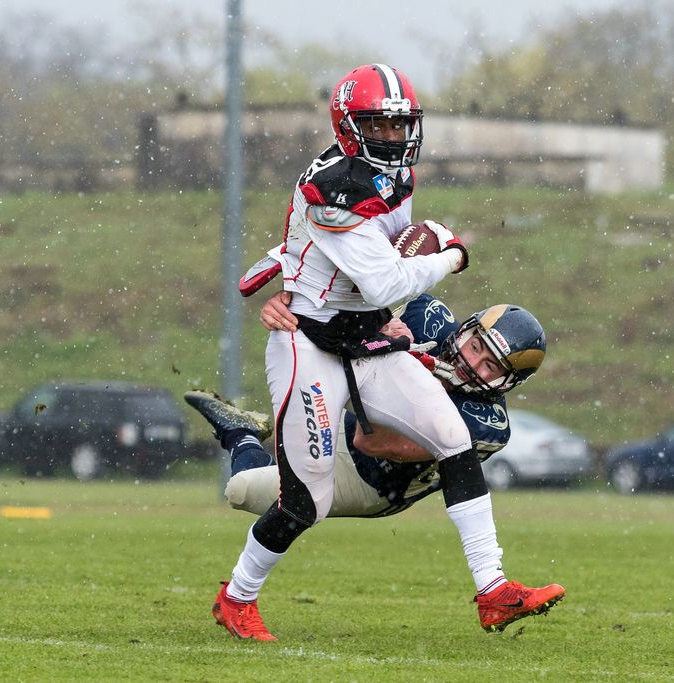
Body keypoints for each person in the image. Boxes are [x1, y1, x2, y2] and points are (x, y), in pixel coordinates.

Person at [209, 63, 558, 642]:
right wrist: (450, 255)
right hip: (310, 341)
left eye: (400, 125)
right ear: (348, 126)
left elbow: (379, 256)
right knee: (306, 500)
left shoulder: (393, 177)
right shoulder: (334, 190)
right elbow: (384, 282)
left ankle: (494, 590)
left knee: (454, 438)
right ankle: (237, 597)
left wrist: (298, 268)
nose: (393, 137)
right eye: (378, 125)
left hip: (366, 335)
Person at [189, 293, 564, 634]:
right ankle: (238, 597)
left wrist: (403, 365)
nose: (472, 363)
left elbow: (371, 442)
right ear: (467, 329)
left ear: (507, 383)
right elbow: (354, 295)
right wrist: (291, 302)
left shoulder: (488, 424)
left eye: (491, 366)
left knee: (242, 490)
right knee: (278, 484)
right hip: (344, 415)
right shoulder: (427, 316)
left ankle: (240, 435)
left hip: (368, 480)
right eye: (477, 346)